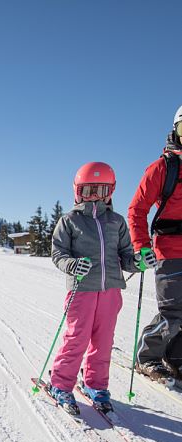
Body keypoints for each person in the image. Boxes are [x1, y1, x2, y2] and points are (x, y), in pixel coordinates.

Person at [49, 162, 139, 413]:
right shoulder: (69, 221)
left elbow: (127, 257)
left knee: (103, 341)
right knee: (76, 339)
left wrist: (139, 262)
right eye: (89, 191)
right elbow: (58, 254)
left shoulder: (117, 222)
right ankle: (61, 384)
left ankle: (96, 385)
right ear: (77, 191)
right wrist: (72, 264)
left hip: (111, 291)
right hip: (82, 290)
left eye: (101, 190)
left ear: (111, 191)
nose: (95, 197)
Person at [128, 106, 182, 382]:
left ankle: (176, 359)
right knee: (173, 311)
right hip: (169, 250)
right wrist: (142, 246)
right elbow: (137, 208)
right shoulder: (163, 167)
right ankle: (146, 357)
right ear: (176, 131)